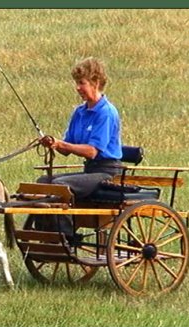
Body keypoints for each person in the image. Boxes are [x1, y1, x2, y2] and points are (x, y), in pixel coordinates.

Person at [36, 57, 123, 240]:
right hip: (90, 171)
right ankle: (45, 234)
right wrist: (53, 143)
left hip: (107, 173)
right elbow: (67, 149)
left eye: (81, 83)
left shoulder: (106, 112)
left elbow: (92, 151)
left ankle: (66, 236)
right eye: (76, 83)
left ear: (96, 83)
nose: (77, 88)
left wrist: (62, 144)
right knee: (42, 181)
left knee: (61, 186)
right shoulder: (79, 112)